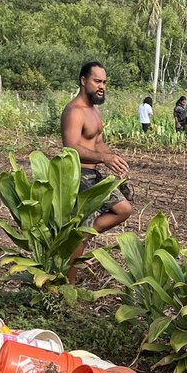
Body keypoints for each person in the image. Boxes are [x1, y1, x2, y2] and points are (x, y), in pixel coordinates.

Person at [61, 61, 133, 283]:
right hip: (78, 177)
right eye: (97, 81)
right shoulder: (74, 111)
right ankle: (68, 286)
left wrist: (115, 160)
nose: (102, 86)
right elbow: (71, 147)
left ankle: (82, 234)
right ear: (84, 81)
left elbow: (97, 143)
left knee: (124, 209)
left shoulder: (94, 111)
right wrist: (104, 158)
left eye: (104, 82)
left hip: (94, 176)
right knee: (79, 237)